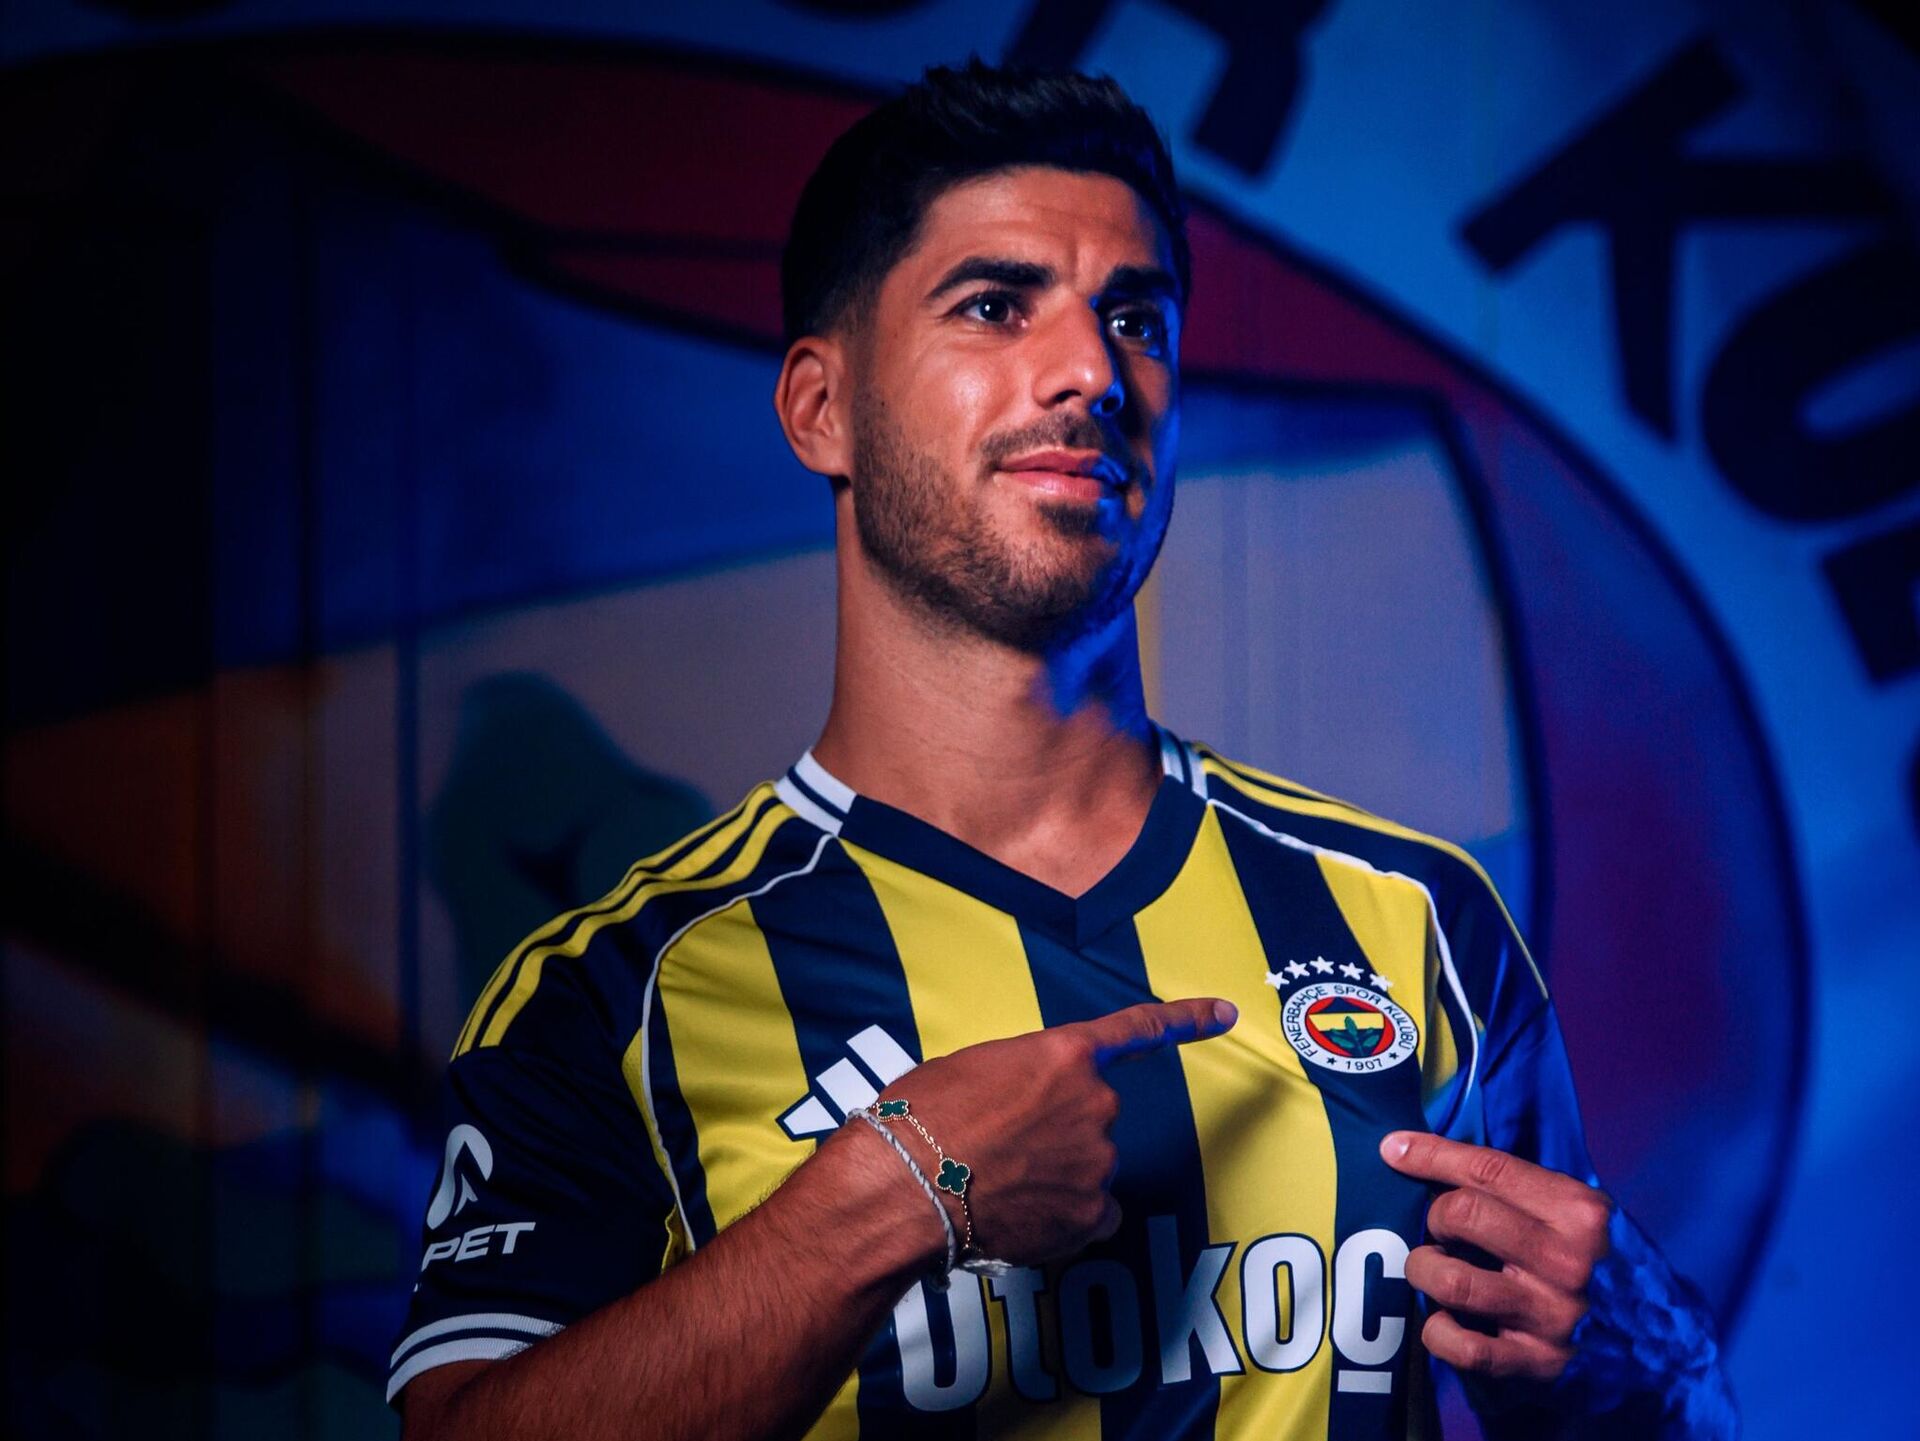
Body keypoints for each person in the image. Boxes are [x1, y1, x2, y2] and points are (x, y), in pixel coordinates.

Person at [389, 60, 1733, 1441]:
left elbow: (1626, 1397)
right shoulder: (613, 996)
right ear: (821, 410)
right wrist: (892, 1196)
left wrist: (1659, 1364)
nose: (1093, 371)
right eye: (994, 304)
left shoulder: (1414, 921)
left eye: (1135, 319)